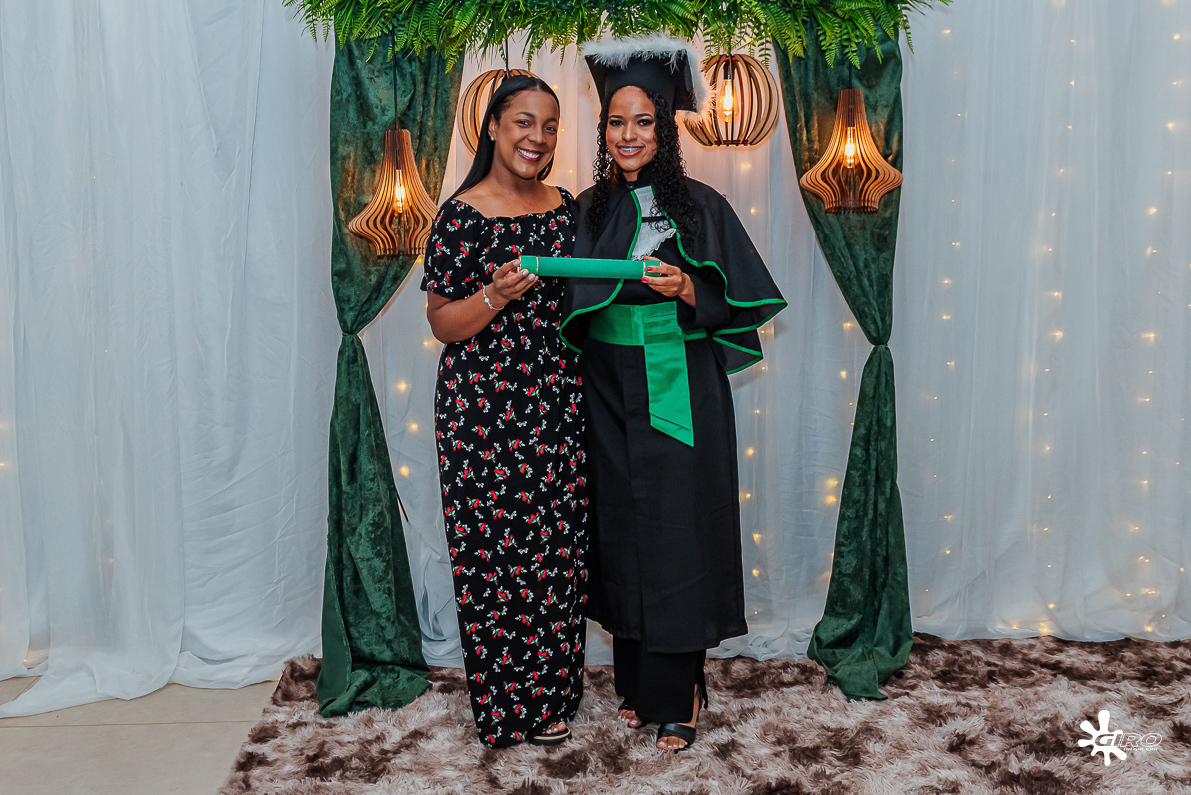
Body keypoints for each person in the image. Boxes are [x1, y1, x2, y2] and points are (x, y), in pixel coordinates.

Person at [560, 36, 787, 752]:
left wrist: (689, 286)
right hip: (604, 387)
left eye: (644, 121)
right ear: (603, 130)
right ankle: (638, 686)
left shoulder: (700, 208)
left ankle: (681, 691)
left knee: (675, 529)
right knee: (620, 527)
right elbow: (565, 302)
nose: (628, 135)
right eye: (616, 122)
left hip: (678, 381)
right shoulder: (586, 210)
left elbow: (741, 299)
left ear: (665, 127)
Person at [421, 75, 587, 748]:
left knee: (556, 550)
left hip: (558, 403)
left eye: (549, 126)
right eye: (523, 122)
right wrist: (494, 295)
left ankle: (555, 693)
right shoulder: (461, 215)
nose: (537, 138)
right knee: (495, 555)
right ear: (492, 127)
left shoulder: (566, 207)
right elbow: (442, 322)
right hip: (483, 414)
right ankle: (509, 704)